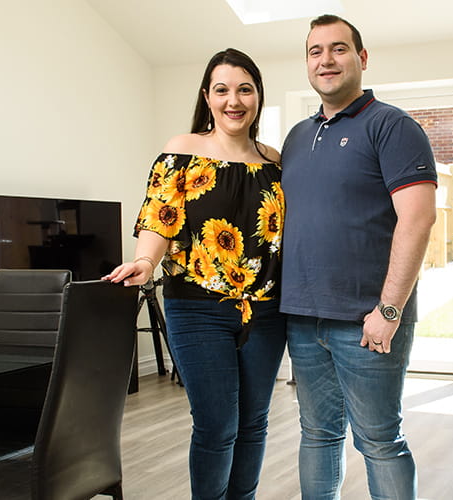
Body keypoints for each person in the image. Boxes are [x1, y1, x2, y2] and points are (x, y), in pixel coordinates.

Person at [104, 48, 286, 500]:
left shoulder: (275, 161)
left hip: (266, 310)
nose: (234, 100)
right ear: (207, 97)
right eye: (222, 90)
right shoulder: (182, 150)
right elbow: (159, 219)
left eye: (245, 89)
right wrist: (145, 261)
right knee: (217, 424)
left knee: (253, 422)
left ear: (258, 96)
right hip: (197, 309)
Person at [280, 14, 438, 500]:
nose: (326, 60)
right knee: (317, 434)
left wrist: (388, 310)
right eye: (315, 51)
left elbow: (418, 219)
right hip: (303, 319)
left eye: (338, 49)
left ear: (361, 58)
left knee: (379, 440)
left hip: (369, 323)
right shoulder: (297, 137)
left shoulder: (392, 126)